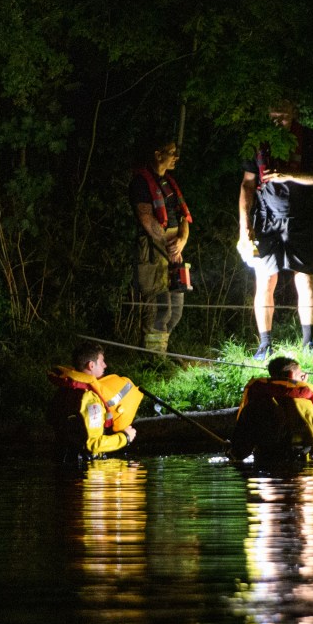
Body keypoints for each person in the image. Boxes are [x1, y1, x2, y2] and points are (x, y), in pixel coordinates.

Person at [238, 99, 313, 359]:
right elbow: (247, 184)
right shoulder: (257, 140)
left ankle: (309, 343)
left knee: (304, 278)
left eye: (284, 116)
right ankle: (265, 345)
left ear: (295, 113)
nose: (278, 121)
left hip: (300, 217)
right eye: (273, 115)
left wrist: (288, 174)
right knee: (265, 280)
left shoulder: (308, 138)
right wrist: (244, 227)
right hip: (266, 219)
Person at [130, 138, 193, 353]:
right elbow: (146, 219)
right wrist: (169, 247)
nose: (176, 157)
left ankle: (163, 353)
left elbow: (184, 217)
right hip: (154, 252)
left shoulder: (168, 182)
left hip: (175, 251)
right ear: (158, 155)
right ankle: (152, 360)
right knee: (160, 309)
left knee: (176, 310)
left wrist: (182, 241)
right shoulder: (140, 182)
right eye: (172, 152)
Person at [229, 356, 313, 463]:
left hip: (265, 466)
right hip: (299, 468)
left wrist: (231, 452)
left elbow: (240, 449)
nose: (304, 379)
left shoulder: (254, 406)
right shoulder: (306, 406)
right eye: (301, 375)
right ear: (291, 375)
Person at [46, 342, 137, 464]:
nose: (105, 365)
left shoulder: (65, 390)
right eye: (101, 362)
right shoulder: (90, 398)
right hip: (84, 469)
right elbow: (93, 443)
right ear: (91, 365)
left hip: (62, 461)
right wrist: (125, 437)